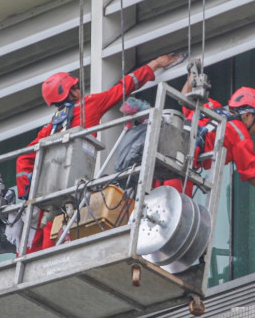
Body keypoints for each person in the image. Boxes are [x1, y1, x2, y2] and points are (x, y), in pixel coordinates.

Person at [16, 54, 178, 253]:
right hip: (76, 188)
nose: (79, 89)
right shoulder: (88, 106)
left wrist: (27, 194)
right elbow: (122, 88)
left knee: (50, 234)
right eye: (75, 87)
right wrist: (154, 65)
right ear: (71, 93)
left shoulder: (48, 130)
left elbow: (23, 158)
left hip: (49, 196)